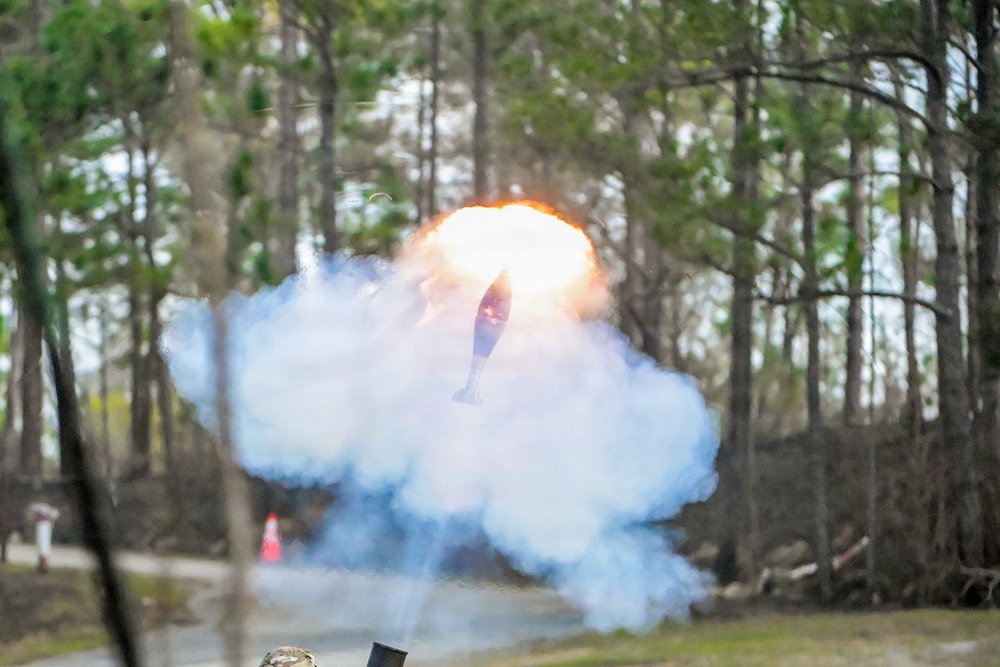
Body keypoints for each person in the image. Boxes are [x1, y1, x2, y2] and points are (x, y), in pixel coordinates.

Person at [28, 497, 60, 573]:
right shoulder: (41, 508)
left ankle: (43, 566)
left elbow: (53, 515)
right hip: (42, 527)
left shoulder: (46, 510)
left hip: (45, 527)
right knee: (42, 546)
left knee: (44, 547)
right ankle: (41, 565)